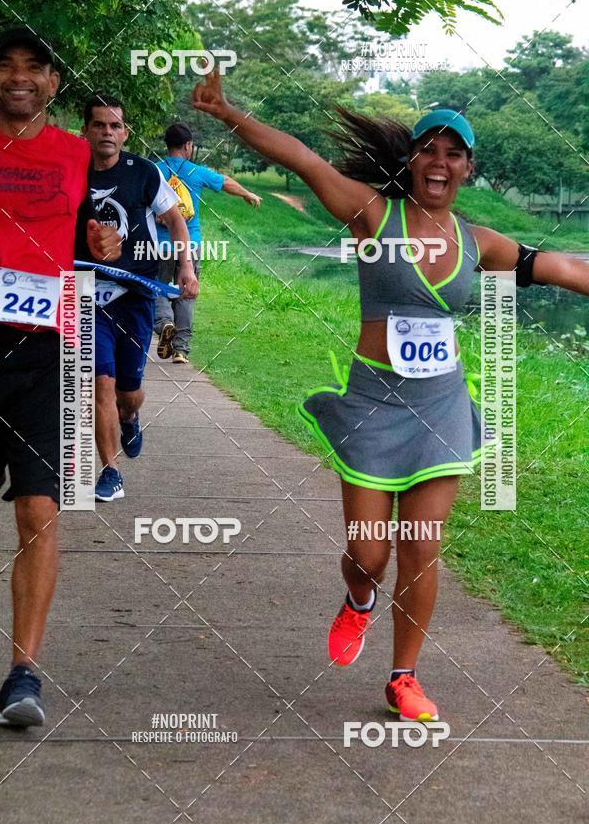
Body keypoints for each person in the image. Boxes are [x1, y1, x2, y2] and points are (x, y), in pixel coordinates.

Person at [193, 71, 589, 721]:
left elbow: (565, 268)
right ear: (411, 160)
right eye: (428, 148)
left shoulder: (477, 243)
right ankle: (358, 599)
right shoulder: (374, 215)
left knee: (421, 545)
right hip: (374, 408)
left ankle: (404, 677)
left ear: (468, 168)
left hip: (440, 412)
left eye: (453, 152)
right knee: (369, 553)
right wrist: (227, 110)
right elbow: (302, 157)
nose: (439, 160)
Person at [0, 28, 120, 727]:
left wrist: (100, 244)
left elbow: (86, 235)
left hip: (49, 352)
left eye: (33, 69)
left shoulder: (75, 154)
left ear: (52, 84)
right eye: (5, 66)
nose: (19, 78)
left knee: (39, 510)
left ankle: (22, 674)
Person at [76, 96, 198, 501]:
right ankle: (110, 472)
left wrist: (185, 267)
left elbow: (176, 219)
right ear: (86, 131)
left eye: (115, 126)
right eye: (99, 125)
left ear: (125, 133)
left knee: (128, 391)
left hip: (135, 294)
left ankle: (131, 418)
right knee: (100, 382)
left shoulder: (143, 173)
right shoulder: (72, 173)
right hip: (86, 293)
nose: (107, 133)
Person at [153, 122, 261, 363]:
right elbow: (225, 182)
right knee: (187, 292)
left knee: (158, 288)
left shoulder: (154, 170)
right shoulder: (196, 172)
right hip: (190, 245)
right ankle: (181, 349)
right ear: (188, 146)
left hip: (158, 244)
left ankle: (164, 324)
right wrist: (247, 194)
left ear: (167, 145)